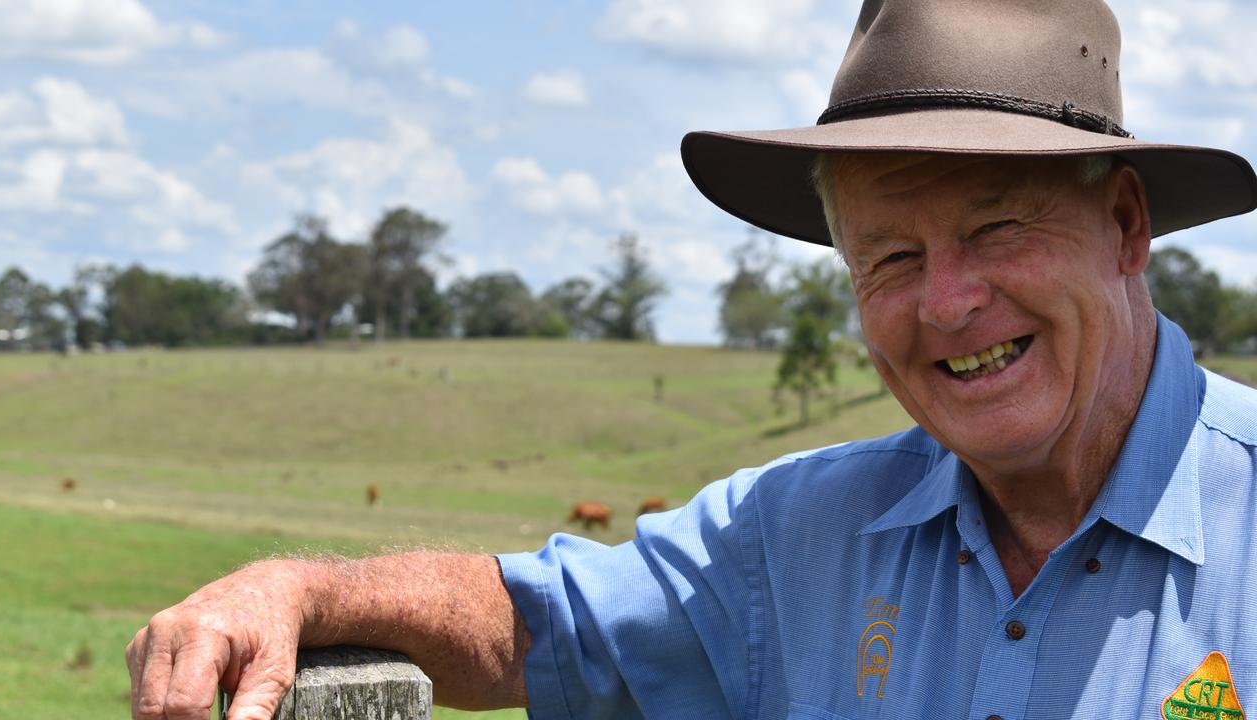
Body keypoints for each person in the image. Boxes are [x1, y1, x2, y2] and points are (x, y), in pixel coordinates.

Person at [128, 1, 1257, 718]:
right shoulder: (794, 537)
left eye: (997, 228)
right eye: (891, 256)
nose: (947, 302)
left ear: (1122, 227)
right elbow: (531, 623)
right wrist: (298, 589)